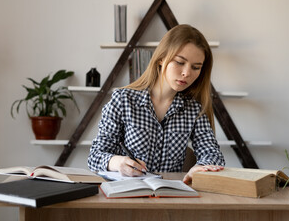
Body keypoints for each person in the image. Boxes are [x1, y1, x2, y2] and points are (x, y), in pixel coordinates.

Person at [88, 24, 225, 184]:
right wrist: (118, 163)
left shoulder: (193, 109)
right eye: (180, 62)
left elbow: (213, 155)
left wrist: (200, 167)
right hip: (127, 194)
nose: (187, 73)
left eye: (196, 67)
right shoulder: (123, 100)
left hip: (170, 196)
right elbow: (95, 157)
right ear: (161, 58)